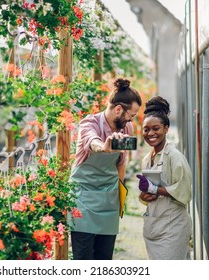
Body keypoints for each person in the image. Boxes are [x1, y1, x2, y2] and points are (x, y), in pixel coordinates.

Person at [68, 78, 142, 260]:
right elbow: (92, 141)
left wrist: (120, 198)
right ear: (118, 109)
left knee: (104, 258)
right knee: (83, 258)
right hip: (83, 200)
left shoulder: (127, 128)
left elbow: (121, 164)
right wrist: (104, 147)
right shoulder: (89, 123)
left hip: (109, 200)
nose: (131, 120)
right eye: (130, 116)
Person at [136, 96, 192, 260]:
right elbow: (150, 196)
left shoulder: (174, 156)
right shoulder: (148, 158)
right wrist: (144, 196)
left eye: (156, 128)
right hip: (154, 227)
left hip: (172, 228)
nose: (150, 133)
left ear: (166, 128)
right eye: (146, 129)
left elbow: (184, 191)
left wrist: (153, 189)